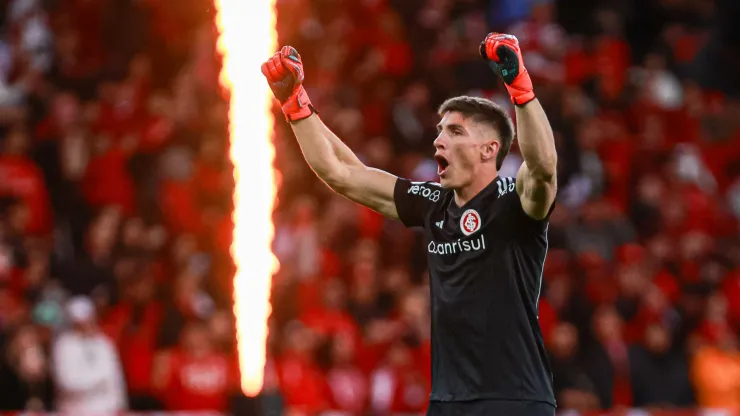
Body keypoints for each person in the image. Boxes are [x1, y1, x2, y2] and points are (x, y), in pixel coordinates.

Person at [261, 32, 557, 416]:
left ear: (490, 149)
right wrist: (295, 104)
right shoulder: (433, 204)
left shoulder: (514, 203)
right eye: (439, 131)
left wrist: (520, 87)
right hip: (448, 403)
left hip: (515, 400)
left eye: (455, 132)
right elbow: (343, 173)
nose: (438, 141)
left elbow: (544, 167)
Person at [52, 296, 127, 414]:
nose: (87, 324)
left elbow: (115, 378)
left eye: (89, 319)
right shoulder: (64, 345)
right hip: (75, 411)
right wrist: (99, 379)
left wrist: (121, 404)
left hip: (106, 411)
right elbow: (67, 382)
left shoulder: (104, 343)